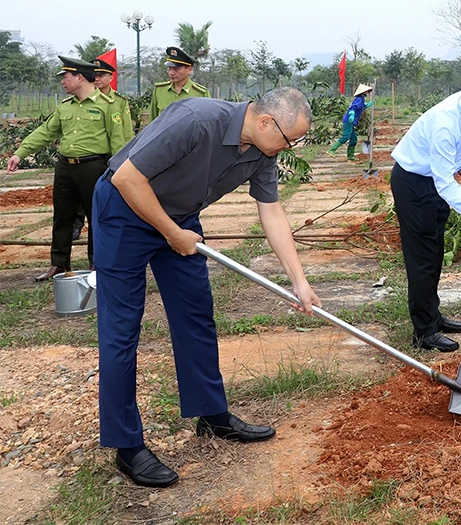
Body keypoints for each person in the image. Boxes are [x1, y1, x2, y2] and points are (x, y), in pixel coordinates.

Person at [93, 88, 320, 488]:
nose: (289, 147)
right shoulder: (196, 120)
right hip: (124, 209)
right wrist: (170, 233)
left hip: (180, 218)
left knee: (195, 315)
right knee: (121, 330)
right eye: (290, 139)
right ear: (266, 122)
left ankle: (211, 415)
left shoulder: (263, 151)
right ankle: (127, 447)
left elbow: (271, 211)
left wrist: (300, 282)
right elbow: (129, 177)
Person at [391, 70, 461, 352]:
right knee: (422, 260)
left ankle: (433, 315)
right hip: (415, 184)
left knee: (436, 251)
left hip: (435, 181)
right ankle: (424, 332)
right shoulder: (445, 125)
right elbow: (444, 185)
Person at [6, 57, 124, 282]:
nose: (62, 82)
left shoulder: (109, 106)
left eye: (65, 77)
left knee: (97, 218)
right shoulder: (64, 107)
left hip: (94, 168)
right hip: (65, 168)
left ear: (79, 77)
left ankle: (97, 264)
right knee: (62, 217)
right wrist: (20, 153)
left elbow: (119, 143)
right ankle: (59, 264)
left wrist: (118, 175)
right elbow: (45, 132)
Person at [71, 57, 137, 241]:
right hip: (91, 156)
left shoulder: (118, 101)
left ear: (110, 77)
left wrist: (125, 155)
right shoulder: (81, 98)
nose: (97, 79)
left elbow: (124, 129)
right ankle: (76, 225)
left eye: (101, 75)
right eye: (94, 75)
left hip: (111, 154)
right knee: (80, 195)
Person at [148, 47, 208, 121]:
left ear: (189, 70)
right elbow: (153, 122)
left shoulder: (200, 93)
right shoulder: (159, 90)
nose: (171, 73)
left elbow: (207, 122)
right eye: (169, 68)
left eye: (176, 69)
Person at [329, 84, 373, 159]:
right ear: (362, 92)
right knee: (346, 137)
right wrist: (352, 114)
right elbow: (353, 107)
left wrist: (368, 105)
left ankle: (350, 156)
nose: (367, 93)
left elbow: (362, 106)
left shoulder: (361, 100)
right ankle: (331, 150)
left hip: (351, 122)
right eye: (366, 91)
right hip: (349, 120)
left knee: (353, 139)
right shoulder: (359, 99)